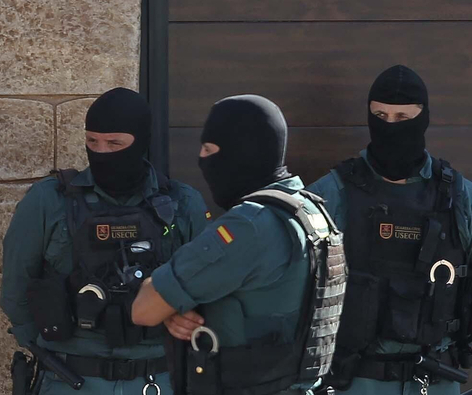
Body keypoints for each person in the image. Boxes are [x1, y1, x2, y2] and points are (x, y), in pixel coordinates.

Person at [0, 88, 211, 394]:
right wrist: (48, 345)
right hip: (69, 377)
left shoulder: (182, 204)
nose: (101, 152)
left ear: (141, 142)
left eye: (114, 143)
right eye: (92, 142)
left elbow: (208, 291)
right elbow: (15, 289)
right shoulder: (49, 200)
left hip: (155, 379)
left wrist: (184, 318)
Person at [132, 95, 346, 395]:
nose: (201, 158)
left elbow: (144, 309)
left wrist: (169, 305)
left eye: (209, 149)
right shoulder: (313, 211)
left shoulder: (249, 225)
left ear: (242, 152)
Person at [308, 66, 472, 393]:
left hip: (436, 379)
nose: (390, 126)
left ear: (423, 118)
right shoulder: (332, 193)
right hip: (354, 381)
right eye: (380, 115)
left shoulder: (459, 196)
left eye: (402, 117)